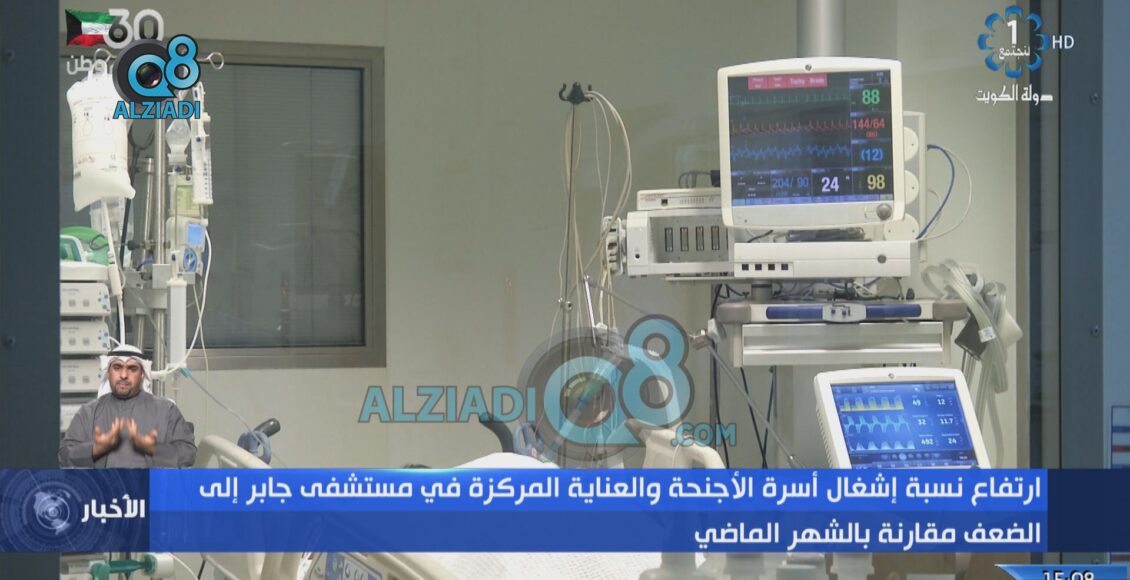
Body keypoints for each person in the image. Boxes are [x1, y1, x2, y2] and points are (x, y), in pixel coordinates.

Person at [59, 345, 197, 468]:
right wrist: (96, 449)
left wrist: (153, 448)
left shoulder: (166, 410)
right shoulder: (89, 412)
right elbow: (64, 455)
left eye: (132, 369)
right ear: (108, 372)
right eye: (117, 367)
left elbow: (188, 454)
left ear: (142, 374)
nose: (124, 375)